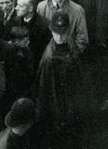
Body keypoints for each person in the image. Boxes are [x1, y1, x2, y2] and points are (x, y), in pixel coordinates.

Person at [35, 12, 85, 149]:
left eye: (63, 33)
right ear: (51, 31)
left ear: (68, 31)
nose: (60, 37)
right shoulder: (49, 58)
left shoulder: (70, 43)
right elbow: (43, 89)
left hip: (72, 99)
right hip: (58, 106)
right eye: (56, 33)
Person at [76, 0, 108, 105]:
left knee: (97, 69)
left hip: (94, 36)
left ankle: (101, 99)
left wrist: (99, 39)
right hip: (87, 30)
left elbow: (103, 15)